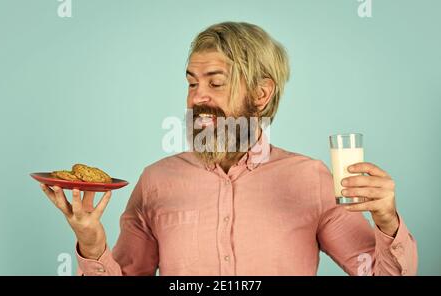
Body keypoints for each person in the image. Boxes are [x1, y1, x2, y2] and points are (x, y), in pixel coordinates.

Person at [40, 22, 417, 276]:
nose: (196, 97)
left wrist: (387, 222)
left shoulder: (312, 179)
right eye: (191, 83)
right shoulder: (156, 181)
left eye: (215, 83)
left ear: (261, 93)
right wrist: (91, 243)